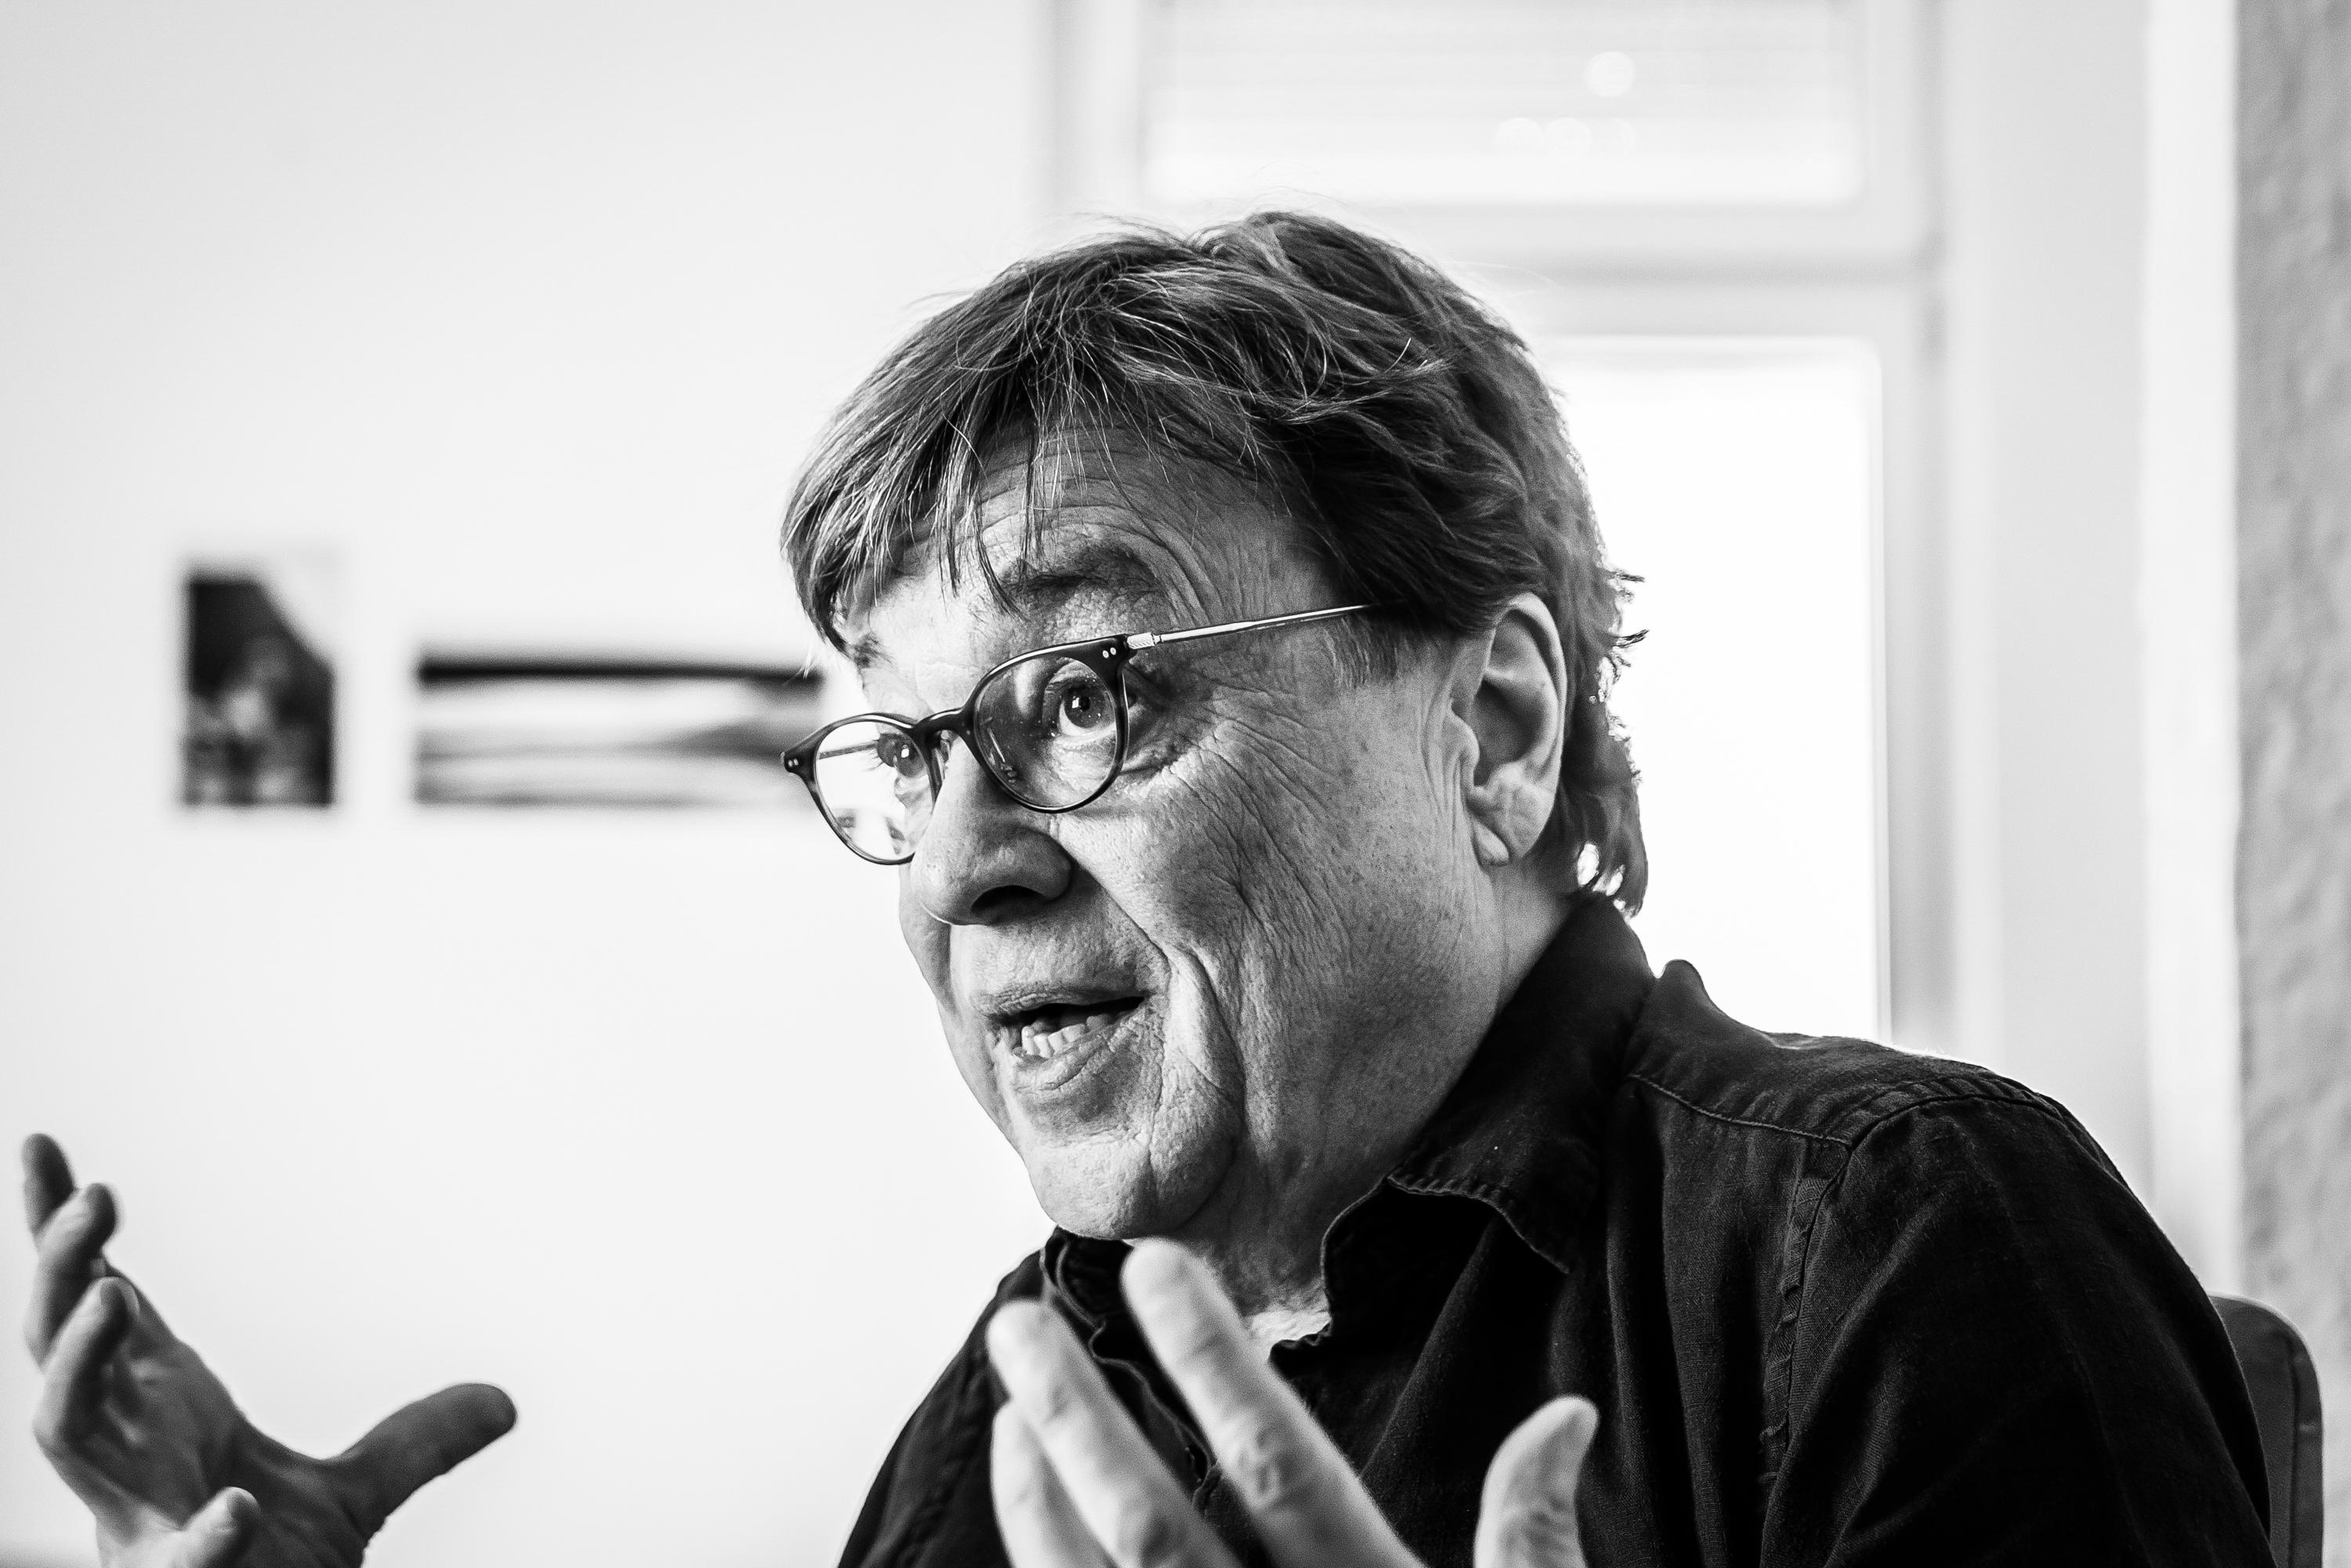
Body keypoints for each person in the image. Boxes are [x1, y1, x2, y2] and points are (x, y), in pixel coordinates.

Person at [22, 212, 2272, 1568]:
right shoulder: (1024, 1396)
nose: (964, 867)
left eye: (1089, 692)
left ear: (1492, 729)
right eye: (912, 746)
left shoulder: (1892, 1241)